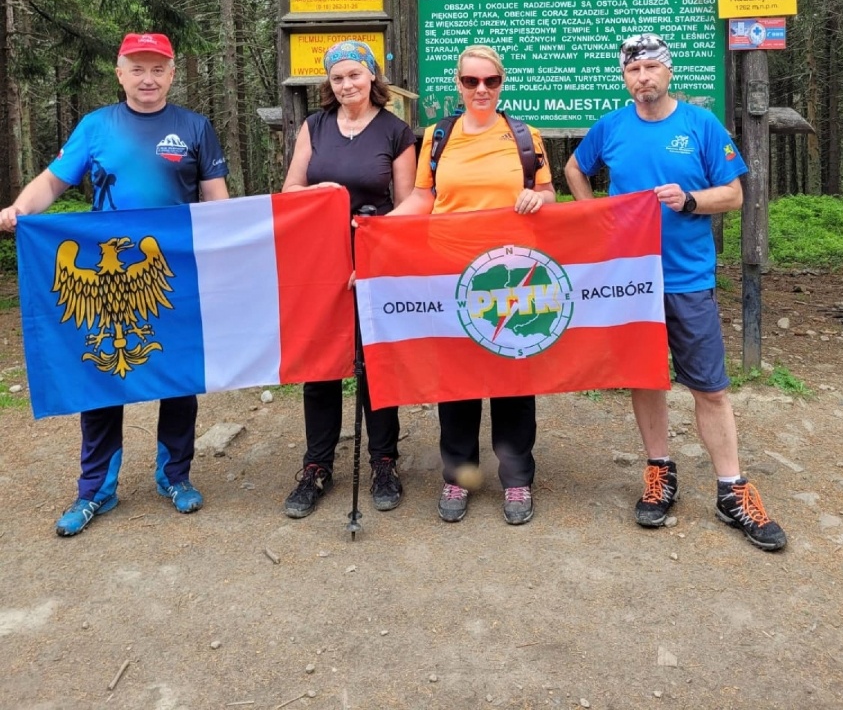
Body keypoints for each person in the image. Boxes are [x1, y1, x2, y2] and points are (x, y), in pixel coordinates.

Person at [0, 32, 229, 537]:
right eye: (137, 68)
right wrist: (20, 207)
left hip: (172, 276)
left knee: (179, 376)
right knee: (100, 377)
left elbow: (216, 199)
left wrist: (230, 246)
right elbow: (54, 182)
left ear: (172, 73)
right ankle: (96, 490)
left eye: (158, 69)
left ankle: (175, 476)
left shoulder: (194, 127)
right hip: (107, 282)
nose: (148, 78)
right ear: (120, 72)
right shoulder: (96, 126)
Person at [564, 32, 787, 551]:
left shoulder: (699, 125)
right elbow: (576, 168)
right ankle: (659, 471)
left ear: (668, 72)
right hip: (631, 281)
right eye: (632, 70)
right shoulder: (612, 127)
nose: (642, 77)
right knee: (647, 377)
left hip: (687, 278)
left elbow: (733, 194)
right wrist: (593, 215)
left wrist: (688, 201)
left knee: (710, 386)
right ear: (625, 78)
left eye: (650, 68)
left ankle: (731, 488)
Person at [391, 44, 555, 526]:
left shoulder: (525, 136)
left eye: (490, 81)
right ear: (458, 84)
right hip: (452, 274)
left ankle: (517, 479)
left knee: (512, 377)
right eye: (470, 82)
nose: (481, 90)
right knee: (457, 380)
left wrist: (536, 197)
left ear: (502, 83)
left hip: (512, 276)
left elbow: (547, 192)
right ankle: (459, 475)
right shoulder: (438, 137)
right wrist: (378, 231)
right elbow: (424, 199)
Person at [281, 40, 416, 519]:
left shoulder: (397, 132)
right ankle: (316, 465)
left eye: (355, 75)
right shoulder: (314, 125)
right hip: (320, 260)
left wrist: (379, 260)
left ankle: (383, 460)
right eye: (337, 78)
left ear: (372, 77)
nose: (346, 85)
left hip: (374, 256)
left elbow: (406, 206)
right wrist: (314, 190)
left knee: (374, 363)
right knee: (320, 364)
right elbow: (291, 189)